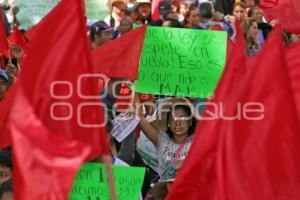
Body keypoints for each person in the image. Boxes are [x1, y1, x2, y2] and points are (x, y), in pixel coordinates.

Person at [136, 98, 196, 179]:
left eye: (182, 118)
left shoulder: (197, 141)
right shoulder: (161, 140)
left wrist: (187, 103)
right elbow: (139, 117)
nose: (178, 123)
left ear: (190, 122)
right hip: (167, 189)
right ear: (168, 124)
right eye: (173, 118)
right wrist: (134, 90)